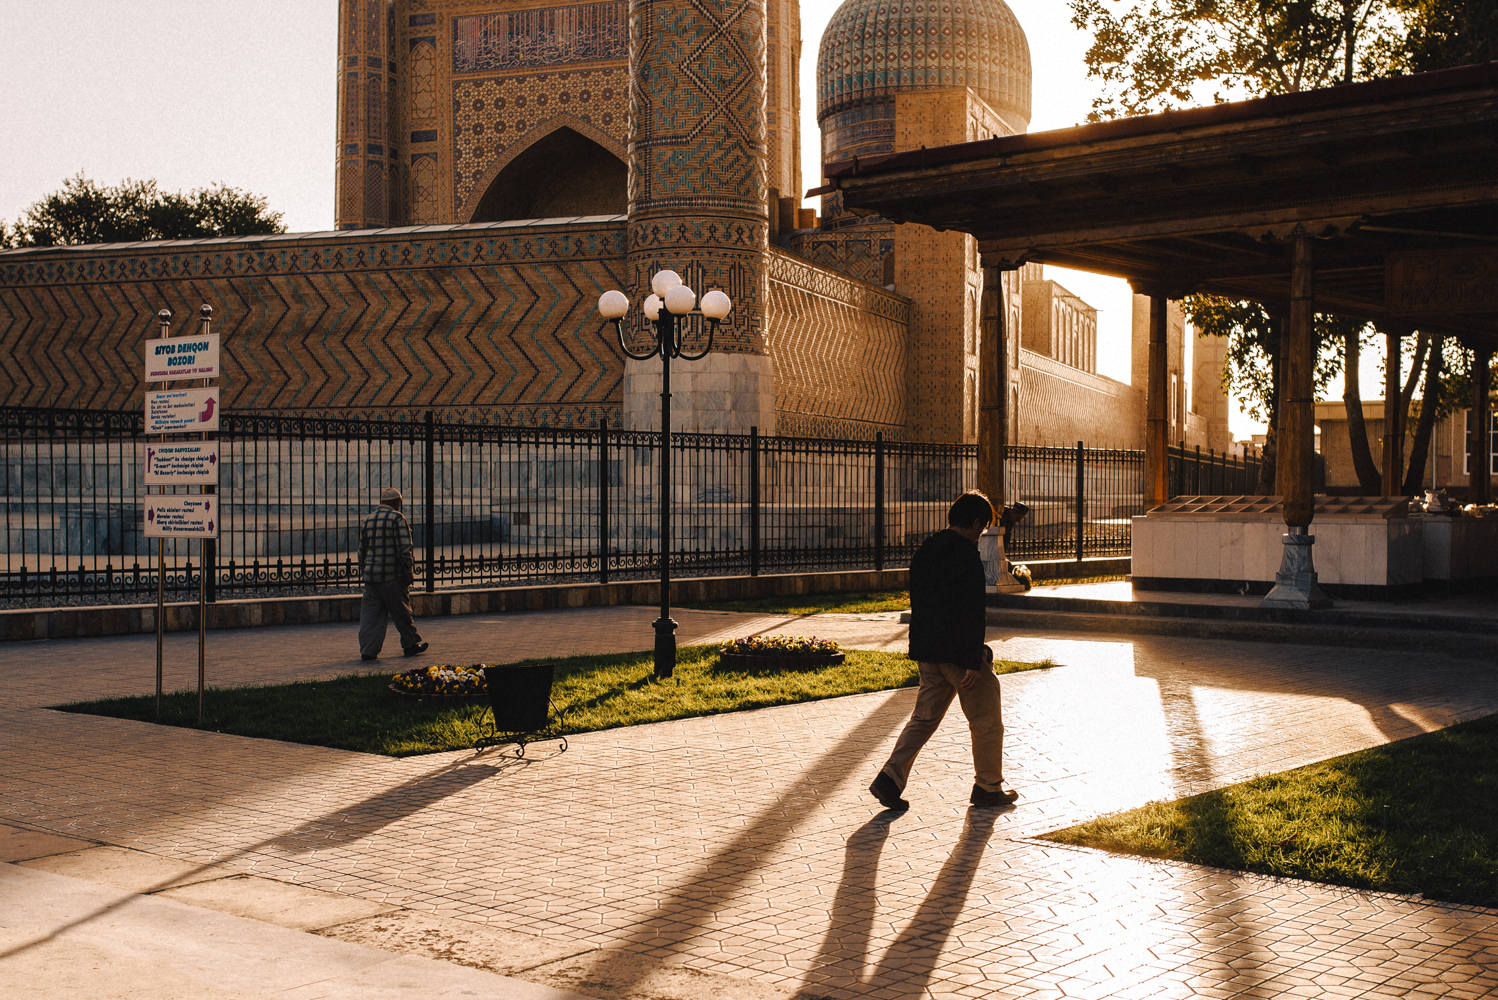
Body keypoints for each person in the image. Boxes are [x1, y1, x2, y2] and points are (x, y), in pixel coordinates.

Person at [870, 490, 1017, 811]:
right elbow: (971, 613)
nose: (980, 536)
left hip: (928, 651)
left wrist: (923, 648)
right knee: (987, 719)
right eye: (982, 529)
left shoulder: (926, 549)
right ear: (976, 522)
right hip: (959, 654)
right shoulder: (966, 556)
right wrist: (972, 663)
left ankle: (889, 778)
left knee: (923, 718)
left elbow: (921, 602)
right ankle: (988, 787)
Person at [357, 487, 428, 660]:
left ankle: (368, 650)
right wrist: (408, 572)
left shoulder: (368, 520)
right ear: (396, 502)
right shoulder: (397, 518)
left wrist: (364, 570)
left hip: (371, 577)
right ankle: (410, 644)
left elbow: (362, 551)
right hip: (391, 576)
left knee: (370, 616)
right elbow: (405, 549)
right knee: (402, 612)